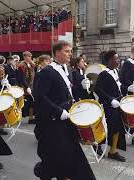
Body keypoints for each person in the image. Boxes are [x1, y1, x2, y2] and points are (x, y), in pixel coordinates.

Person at [34, 41, 96, 180]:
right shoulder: (46, 72)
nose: (70, 54)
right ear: (56, 53)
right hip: (53, 122)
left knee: (67, 155)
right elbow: (39, 97)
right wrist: (58, 111)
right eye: (67, 51)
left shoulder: (68, 69)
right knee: (58, 155)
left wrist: (81, 86)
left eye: (70, 51)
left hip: (68, 118)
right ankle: (46, 172)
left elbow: (69, 92)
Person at [94, 50, 127, 162]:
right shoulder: (104, 73)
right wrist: (110, 100)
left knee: (117, 129)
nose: (118, 61)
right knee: (107, 128)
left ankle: (113, 151)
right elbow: (97, 89)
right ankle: (97, 144)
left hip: (117, 105)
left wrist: (127, 89)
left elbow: (118, 87)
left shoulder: (115, 72)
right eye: (116, 59)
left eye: (118, 59)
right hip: (108, 106)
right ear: (109, 60)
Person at [33, 55, 51, 141]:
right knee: (40, 118)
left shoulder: (49, 72)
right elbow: (36, 88)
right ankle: (38, 134)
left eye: (49, 61)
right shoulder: (39, 73)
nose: (49, 62)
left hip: (47, 98)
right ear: (41, 62)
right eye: (47, 61)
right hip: (40, 99)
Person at [18, 51, 36, 124]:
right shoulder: (21, 65)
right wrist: (27, 87)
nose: (30, 58)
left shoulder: (31, 64)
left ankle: (31, 118)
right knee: (23, 103)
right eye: (28, 56)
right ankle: (18, 117)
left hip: (31, 86)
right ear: (24, 57)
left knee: (32, 102)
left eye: (30, 56)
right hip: (24, 86)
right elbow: (21, 78)